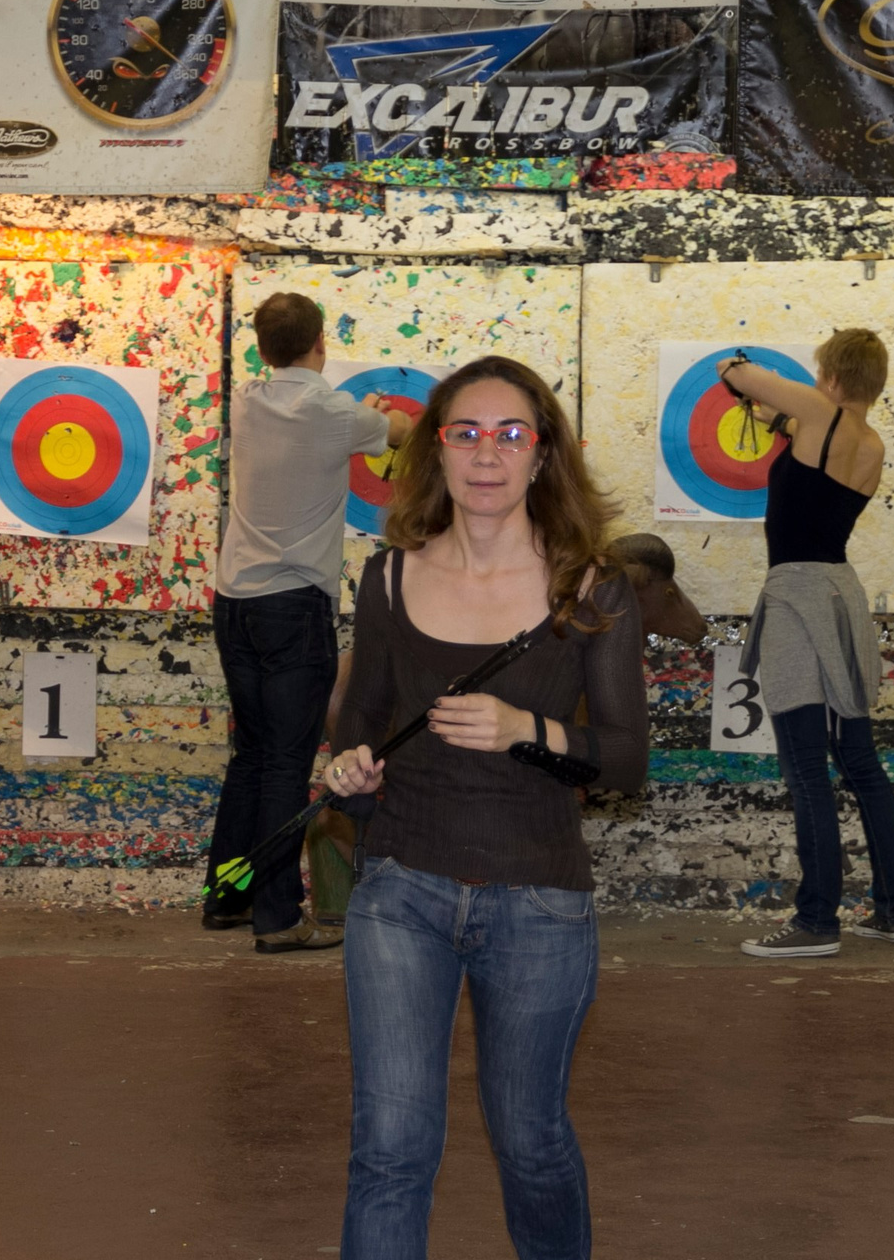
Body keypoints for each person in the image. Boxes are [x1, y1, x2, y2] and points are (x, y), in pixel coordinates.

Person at [324, 356, 649, 1260]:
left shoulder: (591, 586)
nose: (487, 455)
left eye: (511, 435)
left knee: (530, 1142)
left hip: (538, 899)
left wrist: (523, 729)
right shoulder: (388, 579)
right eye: (465, 433)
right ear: (435, 449)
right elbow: (360, 724)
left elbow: (626, 760)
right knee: (389, 1150)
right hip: (400, 890)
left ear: (543, 455)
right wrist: (349, 771)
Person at [205, 292, 413, 953]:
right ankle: (277, 918)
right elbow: (402, 433)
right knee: (287, 764)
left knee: (252, 757)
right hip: (293, 608)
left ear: (261, 349)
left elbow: (325, 418)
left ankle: (228, 899)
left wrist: (357, 415)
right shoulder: (335, 413)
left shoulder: (247, 399)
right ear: (321, 342)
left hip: (233, 603)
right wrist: (371, 414)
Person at [716, 331, 894, 958]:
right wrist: (780, 422)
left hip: (800, 599)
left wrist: (737, 363)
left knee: (807, 764)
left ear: (829, 376)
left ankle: (816, 921)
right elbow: (816, 471)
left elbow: (735, 372)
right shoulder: (869, 442)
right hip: (839, 596)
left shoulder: (818, 412)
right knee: (858, 761)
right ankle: (893, 911)